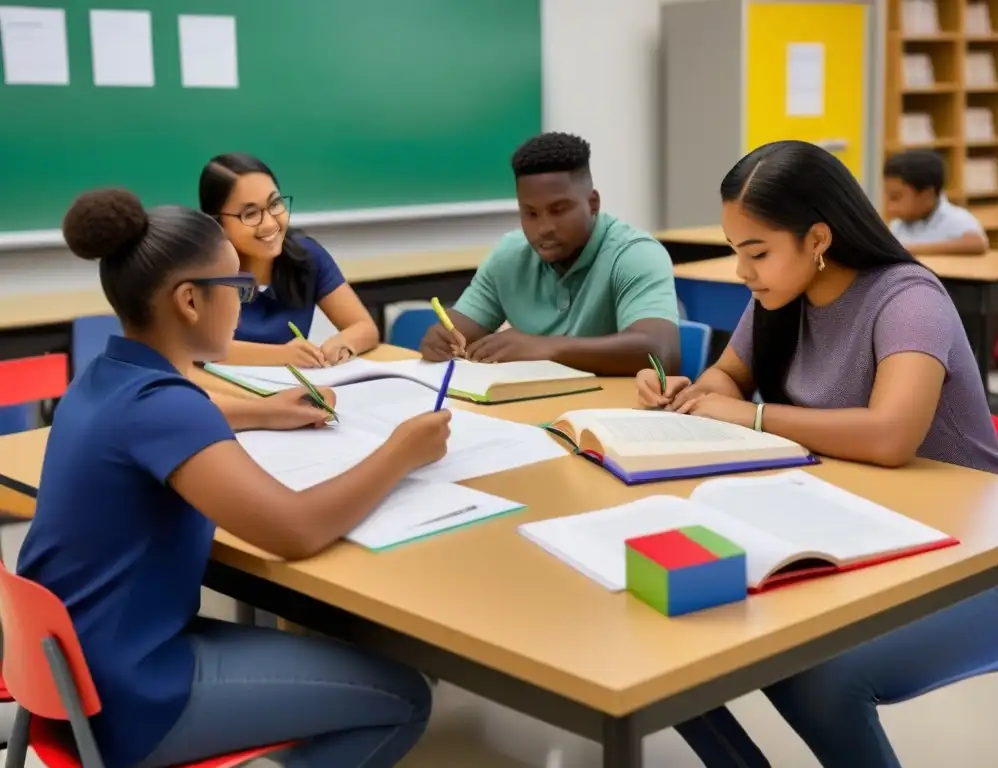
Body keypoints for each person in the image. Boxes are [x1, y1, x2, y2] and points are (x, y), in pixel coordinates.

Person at [17, 188, 452, 768]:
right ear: (191, 301)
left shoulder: (106, 376)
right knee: (402, 696)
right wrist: (401, 452)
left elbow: (174, 417)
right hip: (132, 694)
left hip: (73, 670)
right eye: (238, 288)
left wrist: (271, 410)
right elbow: (293, 529)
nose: (246, 304)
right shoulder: (166, 407)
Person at [635, 140, 998, 768]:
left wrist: (749, 414)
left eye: (758, 253)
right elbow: (727, 378)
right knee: (684, 628)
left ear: (817, 239)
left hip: (977, 561)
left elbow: (891, 437)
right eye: (736, 253)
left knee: (811, 674)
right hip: (854, 531)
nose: (744, 273)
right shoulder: (778, 298)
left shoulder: (907, 298)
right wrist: (696, 393)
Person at [419, 132, 680, 376]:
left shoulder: (635, 254)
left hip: (610, 414)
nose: (543, 228)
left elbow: (661, 352)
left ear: (593, 203)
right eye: (530, 213)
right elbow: (459, 329)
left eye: (559, 210)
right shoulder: (508, 256)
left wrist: (546, 348)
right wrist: (440, 340)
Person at [198, 153, 379, 368]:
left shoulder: (307, 257)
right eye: (250, 213)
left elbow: (365, 327)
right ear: (217, 223)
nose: (269, 224)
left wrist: (342, 343)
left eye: (275, 204)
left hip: (296, 391)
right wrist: (283, 355)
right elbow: (200, 348)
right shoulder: (202, 271)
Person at [884, 149, 988, 256]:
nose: (889, 207)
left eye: (895, 198)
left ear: (927, 196)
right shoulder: (897, 225)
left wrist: (909, 250)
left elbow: (977, 244)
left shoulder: (956, 219)